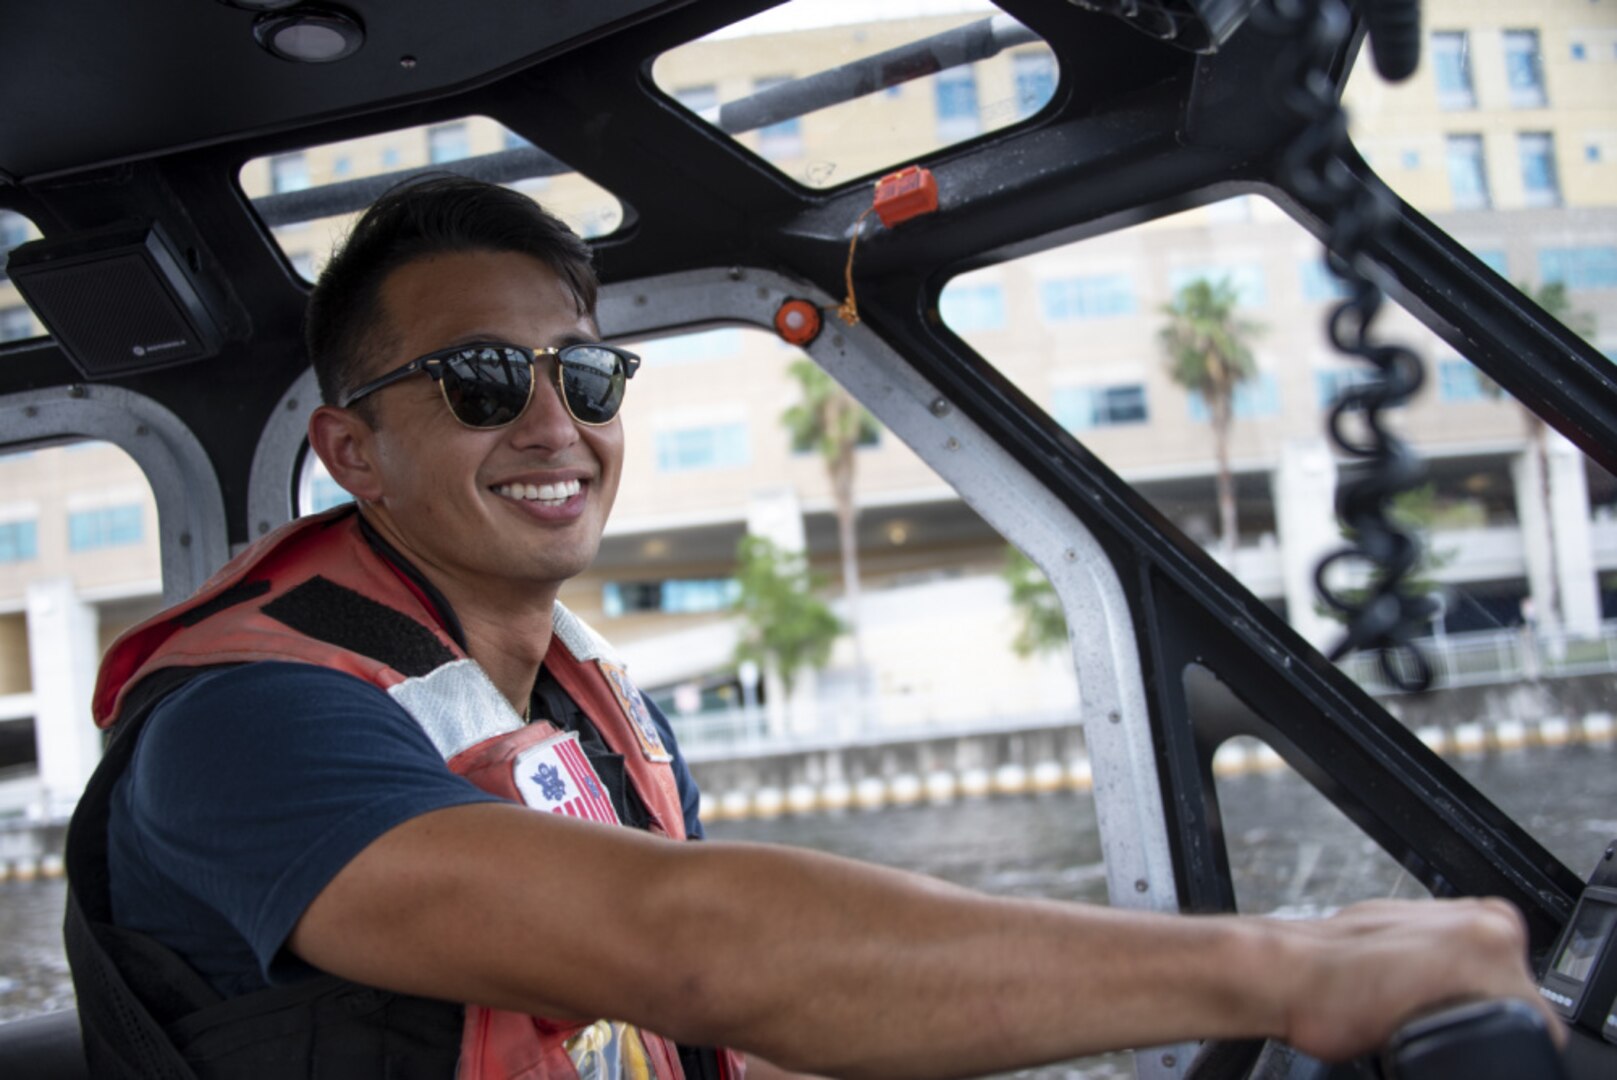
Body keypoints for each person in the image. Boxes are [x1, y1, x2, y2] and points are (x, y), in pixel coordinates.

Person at [66, 176, 1558, 1080]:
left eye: (583, 378)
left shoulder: (588, 715)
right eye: (475, 379)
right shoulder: (245, 726)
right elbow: (688, 949)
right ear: (349, 452)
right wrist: (1290, 972)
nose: (550, 423)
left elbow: (730, 1040)